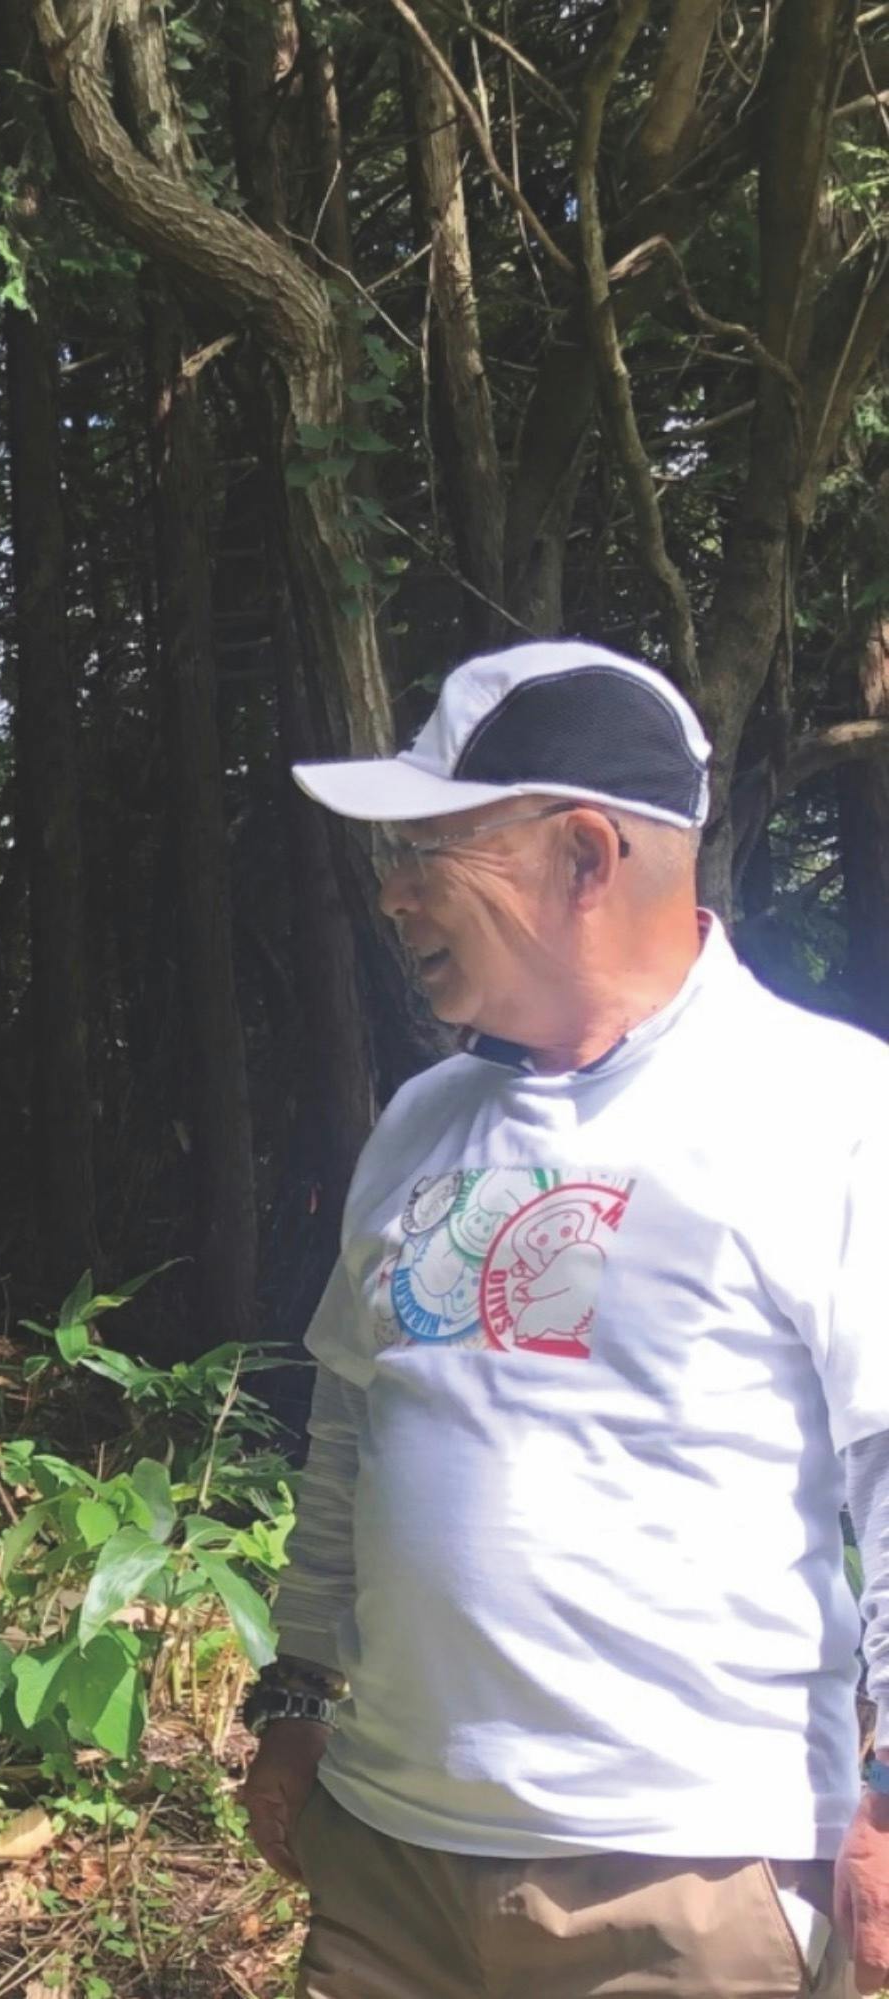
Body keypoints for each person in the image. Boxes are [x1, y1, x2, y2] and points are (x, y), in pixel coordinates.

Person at [243, 641, 889, 1997]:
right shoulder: (422, 1121)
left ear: (587, 856)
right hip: (390, 1866)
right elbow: (351, 1431)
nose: (393, 894)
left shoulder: (829, 1111)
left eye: (431, 852)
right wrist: (296, 1699)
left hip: (687, 1884)